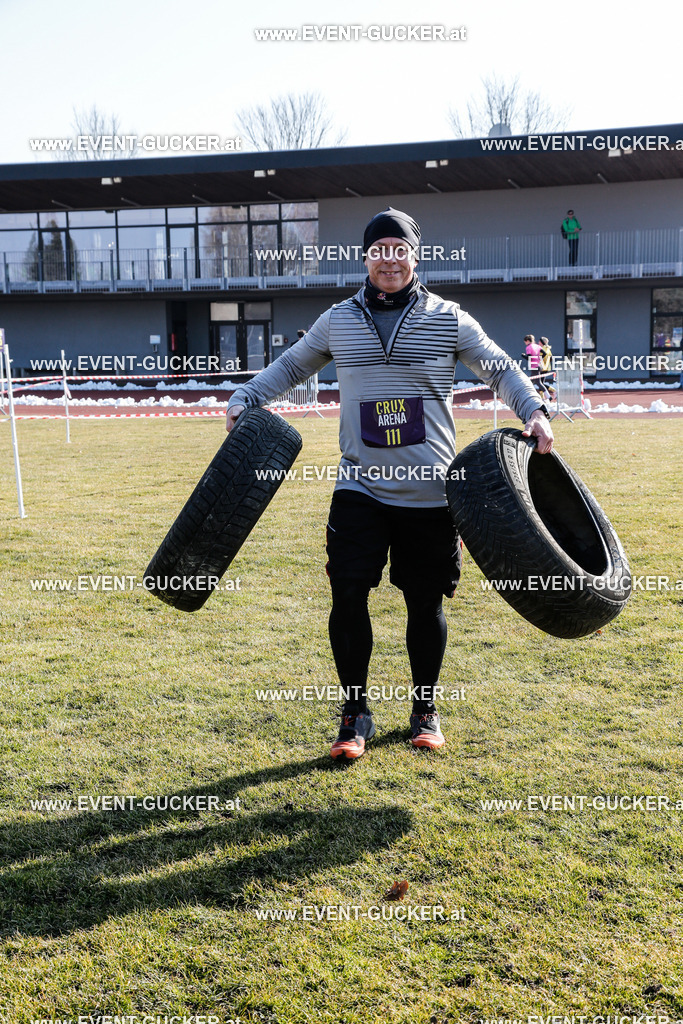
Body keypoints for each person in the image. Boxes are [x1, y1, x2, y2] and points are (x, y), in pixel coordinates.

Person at [226, 207, 554, 761]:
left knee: (425, 603)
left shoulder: (449, 318)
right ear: (366, 257)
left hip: (429, 489)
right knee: (348, 592)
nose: (389, 259)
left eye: (399, 249)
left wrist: (535, 410)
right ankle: (355, 712)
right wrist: (245, 397)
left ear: (415, 255)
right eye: (379, 249)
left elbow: (500, 368)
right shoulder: (339, 320)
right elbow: (289, 367)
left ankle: (425, 708)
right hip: (360, 486)